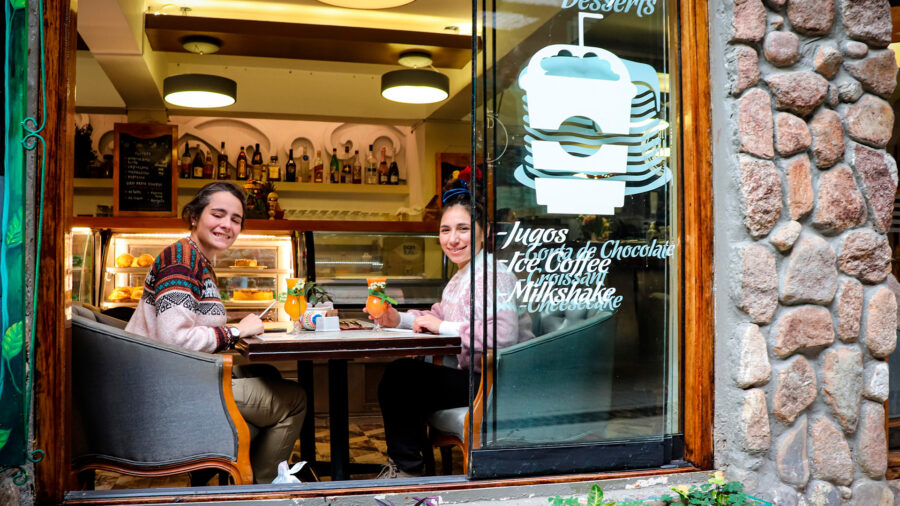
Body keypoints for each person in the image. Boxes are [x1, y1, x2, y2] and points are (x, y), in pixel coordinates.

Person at [125, 181, 306, 483]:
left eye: (236, 219)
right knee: (294, 398)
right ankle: (260, 492)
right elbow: (176, 339)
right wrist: (235, 332)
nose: (227, 225)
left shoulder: (198, 259)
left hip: (176, 377)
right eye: (218, 214)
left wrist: (231, 323)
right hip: (170, 388)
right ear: (195, 216)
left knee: (269, 375)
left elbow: (189, 318)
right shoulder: (182, 261)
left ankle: (234, 472)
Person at [368, 177, 533, 478]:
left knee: (401, 377)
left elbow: (504, 335)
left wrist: (442, 326)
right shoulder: (461, 277)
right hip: (474, 377)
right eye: (445, 230)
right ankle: (409, 468)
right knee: (404, 377)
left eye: (463, 229)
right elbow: (437, 315)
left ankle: (407, 471)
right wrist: (397, 319)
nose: (453, 239)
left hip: (500, 383)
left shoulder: (493, 273)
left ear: (484, 234)